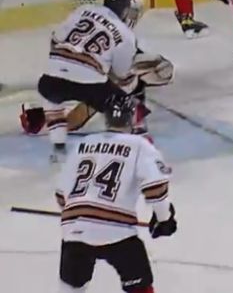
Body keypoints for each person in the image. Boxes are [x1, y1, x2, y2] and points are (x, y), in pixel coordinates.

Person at [55, 94, 176, 293]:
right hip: (117, 233)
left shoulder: (82, 144)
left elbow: (61, 196)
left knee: (71, 287)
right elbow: (156, 189)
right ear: (131, 118)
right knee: (140, 287)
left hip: (74, 229)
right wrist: (164, 219)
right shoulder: (139, 145)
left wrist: (84, 218)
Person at [35, 0, 142, 161]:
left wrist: (62, 63)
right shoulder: (126, 34)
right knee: (122, 101)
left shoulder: (84, 9)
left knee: (51, 96)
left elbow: (56, 38)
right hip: (88, 83)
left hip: (50, 79)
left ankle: (58, 148)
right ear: (124, 11)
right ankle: (124, 146)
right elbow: (121, 73)